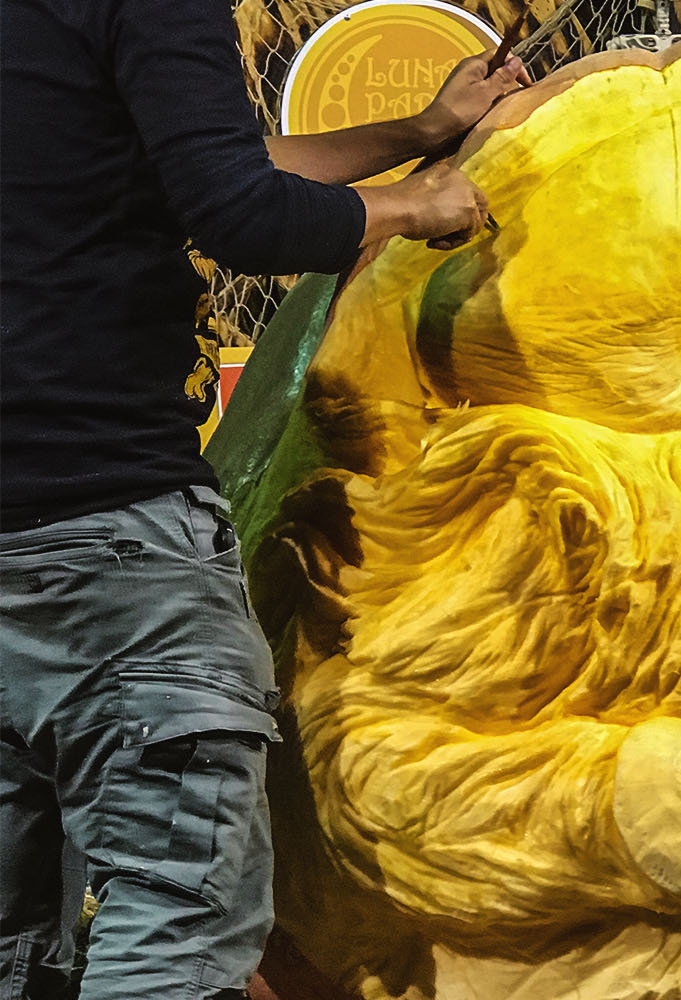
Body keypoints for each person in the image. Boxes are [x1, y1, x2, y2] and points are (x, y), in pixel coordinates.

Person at [0, 0, 525, 994]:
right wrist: (419, 206)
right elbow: (237, 208)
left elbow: (175, 157)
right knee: (173, 918)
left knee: (14, 941)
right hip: (106, 526)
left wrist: (412, 135)